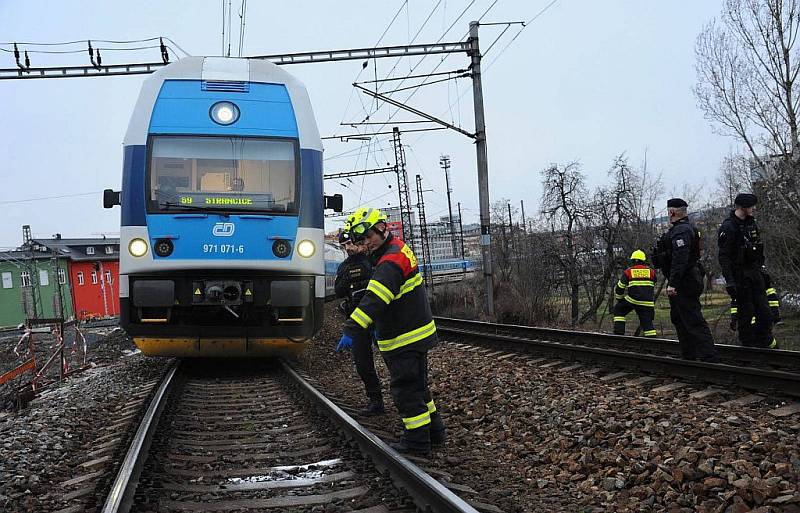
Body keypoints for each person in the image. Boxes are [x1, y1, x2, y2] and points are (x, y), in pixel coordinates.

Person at [338, 207, 445, 455]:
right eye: (361, 241)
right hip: (415, 334)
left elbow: (374, 300)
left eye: (368, 238)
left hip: (404, 338)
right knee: (419, 388)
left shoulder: (389, 262)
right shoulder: (396, 250)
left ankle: (417, 443)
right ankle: (435, 431)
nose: (366, 244)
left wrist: (350, 330)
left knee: (405, 390)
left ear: (382, 228)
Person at [652, 198, 719, 362]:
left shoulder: (681, 231)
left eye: (669, 212)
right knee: (679, 318)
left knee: (691, 317)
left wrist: (673, 283)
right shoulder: (684, 229)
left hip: (685, 281)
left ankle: (707, 356)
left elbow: (680, 259)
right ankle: (690, 354)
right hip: (687, 278)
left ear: (672, 212)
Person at [334, 227, 385, 415]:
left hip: (378, 319)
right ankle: (375, 401)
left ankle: (404, 398)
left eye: (350, 243)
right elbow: (339, 291)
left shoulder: (373, 260)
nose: (348, 248)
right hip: (356, 320)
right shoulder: (344, 267)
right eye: (344, 245)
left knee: (393, 360)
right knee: (363, 364)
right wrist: (348, 280)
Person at [718, 193, 777, 348]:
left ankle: (765, 344)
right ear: (743, 207)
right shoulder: (729, 227)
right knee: (746, 314)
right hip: (740, 276)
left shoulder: (751, 224)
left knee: (764, 313)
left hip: (755, 273)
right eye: (751, 206)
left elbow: (758, 248)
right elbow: (724, 256)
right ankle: (749, 350)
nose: (754, 209)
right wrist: (729, 280)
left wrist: (761, 268)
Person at [612, 250, 657, 337]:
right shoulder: (651, 272)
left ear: (633, 260)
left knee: (618, 310)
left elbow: (620, 288)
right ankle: (653, 342)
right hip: (648, 303)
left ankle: (619, 334)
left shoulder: (629, 272)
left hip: (632, 300)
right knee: (647, 323)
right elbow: (654, 282)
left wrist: (620, 299)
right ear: (643, 260)